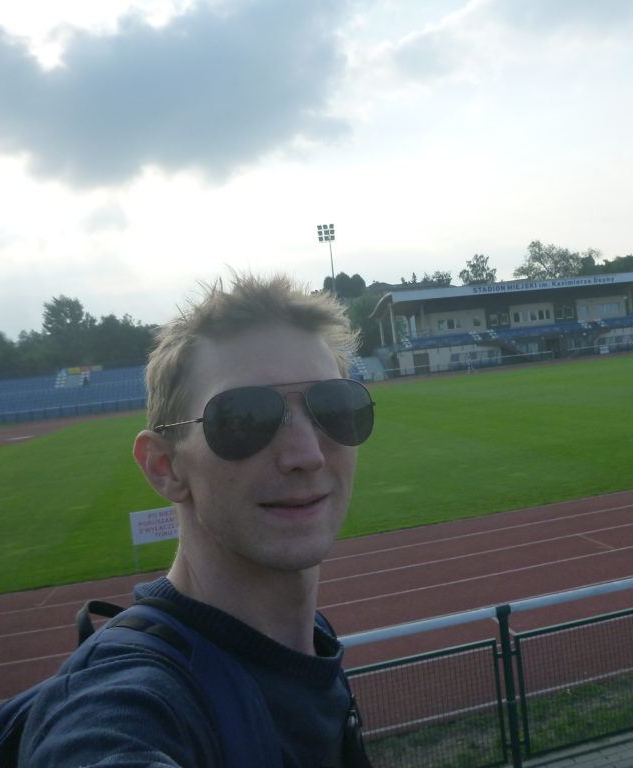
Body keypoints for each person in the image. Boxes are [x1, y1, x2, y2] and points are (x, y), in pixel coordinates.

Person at [19, 272, 375, 767]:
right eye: (245, 419)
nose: (307, 454)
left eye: (335, 407)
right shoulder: (132, 699)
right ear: (165, 468)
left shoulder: (310, 645)